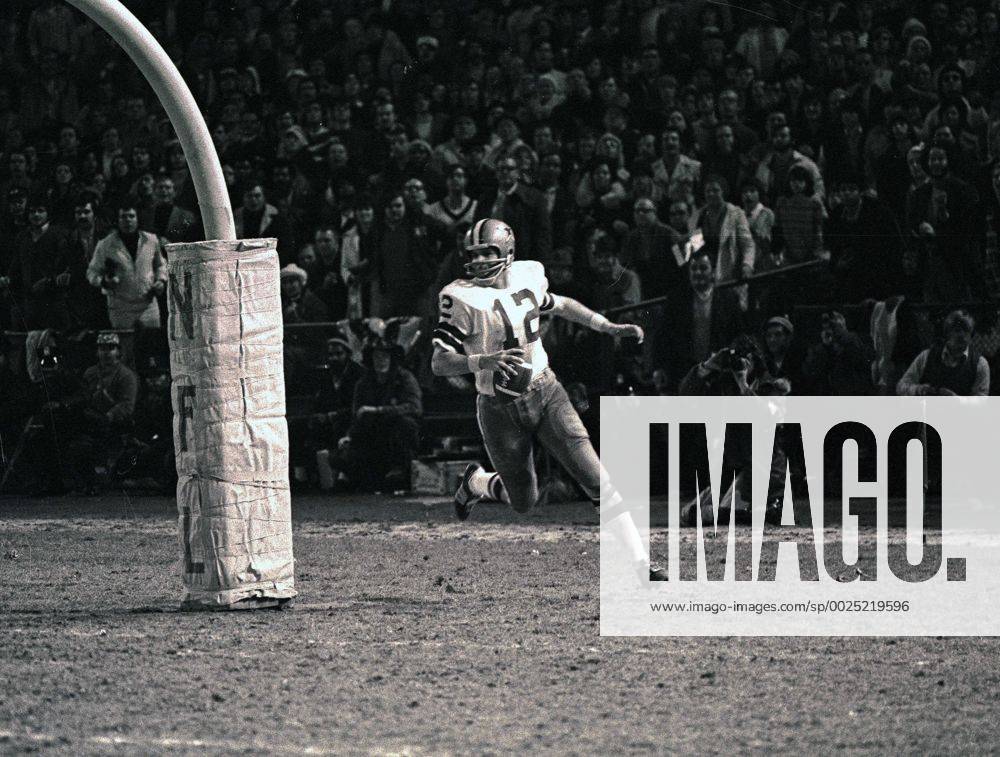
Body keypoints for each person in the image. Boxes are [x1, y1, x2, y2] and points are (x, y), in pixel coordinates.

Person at [430, 218, 665, 582]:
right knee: (524, 501)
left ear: (508, 252)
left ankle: (640, 564)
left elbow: (559, 304)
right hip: (498, 408)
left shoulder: (528, 274)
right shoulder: (460, 296)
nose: (478, 263)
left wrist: (607, 327)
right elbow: (439, 361)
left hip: (546, 391)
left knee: (596, 477)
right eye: (473, 256)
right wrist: (481, 360)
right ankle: (476, 482)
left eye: (487, 253)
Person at [337, 336, 422, 492]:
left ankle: (399, 470)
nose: (380, 361)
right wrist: (349, 435)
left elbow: (414, 407)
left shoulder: (404, 378)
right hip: (372, 432)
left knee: (406, 424)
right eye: (376, 356)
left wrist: (380, 410)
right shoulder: (363, 383)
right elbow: (357, 414)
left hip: (396, 431)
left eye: (384, 356)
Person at [86, 202, 166, 329]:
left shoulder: (151, 240)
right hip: (120, 307)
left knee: (151, 345)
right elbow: (92, 272)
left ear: (137, 218)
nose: (127, 220)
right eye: (123, 217)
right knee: (125, 346)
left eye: (131, 216)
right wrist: (104, 282)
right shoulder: (105, 244)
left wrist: (161, 280)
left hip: (148, 305)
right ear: (117, 220)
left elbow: (160, 265)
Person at [896, 309, 990, 396]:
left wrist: (958, 400)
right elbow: (901, 386)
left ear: (971, 335)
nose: (961, 335)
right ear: (947, 333)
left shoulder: (979, 363)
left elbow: (981, 399)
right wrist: (920, 389)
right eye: (957, 330)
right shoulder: (927, 356)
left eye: (966, 331)